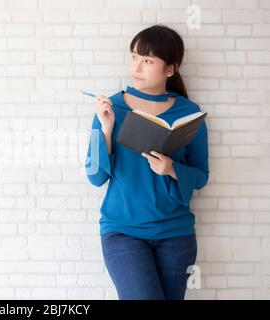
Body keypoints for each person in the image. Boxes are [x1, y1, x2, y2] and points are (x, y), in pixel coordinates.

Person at [84, 24, 209, 300]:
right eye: (134, 57)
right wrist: (106, 129)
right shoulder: (110, 109)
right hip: (123, 232)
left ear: (170, 69)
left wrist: (172, 169)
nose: (137, 66)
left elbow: (201, 175)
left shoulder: (189, 114)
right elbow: (94, 176)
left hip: (175, 235)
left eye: (148, 60)